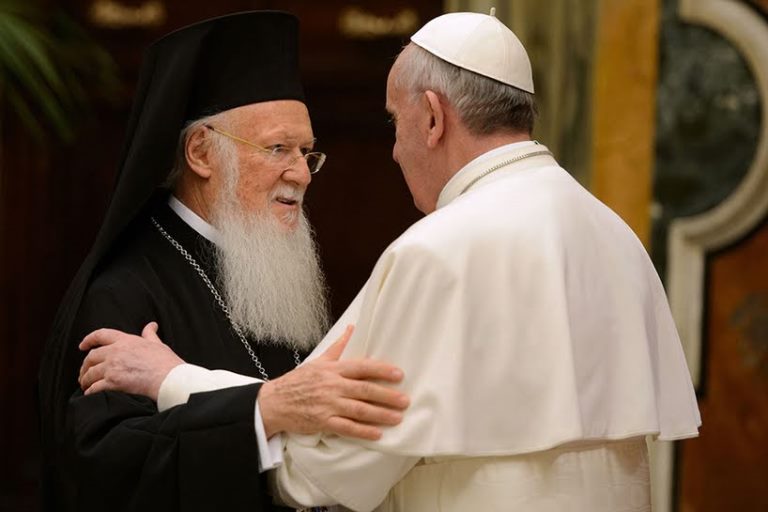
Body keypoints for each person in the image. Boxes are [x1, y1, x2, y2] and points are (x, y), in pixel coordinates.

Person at [78, 11, 702, 512]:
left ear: (432, 117)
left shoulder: (438, 250)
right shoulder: (616, 232)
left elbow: (321, 473)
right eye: (278, 149)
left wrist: (175, 380)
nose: (395, 152)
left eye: (395, 124)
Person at [38, 11, 410, 512]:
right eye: (278, 148)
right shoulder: (124, 293)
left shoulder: (276, 277)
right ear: (201, 153)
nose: (301, 174)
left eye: (307, 152)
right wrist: (260, 414)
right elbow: (111, 467)